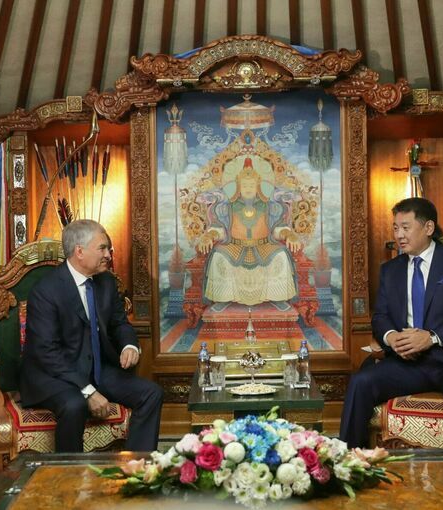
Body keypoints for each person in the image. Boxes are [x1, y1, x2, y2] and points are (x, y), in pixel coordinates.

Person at [339, 197, 443, 449]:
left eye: (406, 227)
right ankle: (348, 460)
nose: (399, 235)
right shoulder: (391, 270)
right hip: (410, 362)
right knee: (360, 382)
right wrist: (391, 338)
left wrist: (431, 337)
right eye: (395, 228)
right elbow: (380, 316)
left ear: (428, 227)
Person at [20, 219, 163, 452]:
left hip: (96, 369)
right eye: (102, 248)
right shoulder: (46, 291)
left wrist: (129, 345)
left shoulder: (106, 282)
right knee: (74, 404)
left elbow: (119, 323)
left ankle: (136, 464)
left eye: (108, 248)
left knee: (151, 393)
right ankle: (71, 471)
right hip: (56, 376)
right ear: (79, 251)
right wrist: (88, 391)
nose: (108, 254)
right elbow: (47, 353)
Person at [197, 157, 302, 308]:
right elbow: (221, 230)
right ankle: (223, 299)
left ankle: (278, 298)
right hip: (234, 246)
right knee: (218, 254)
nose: (248, 188)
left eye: (251, 185)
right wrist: (209, 235)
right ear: (238, 187)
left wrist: (289, 234)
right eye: (244, 185)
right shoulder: (228, 207)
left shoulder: (269, 206)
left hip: (263, 246)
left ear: (258, 186)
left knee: (281, 254)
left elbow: (277, 229)